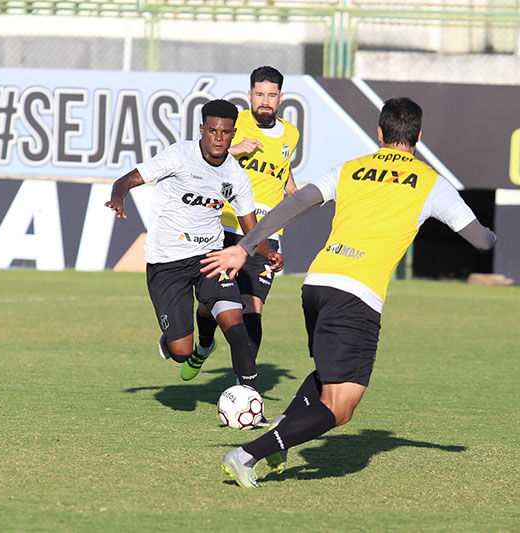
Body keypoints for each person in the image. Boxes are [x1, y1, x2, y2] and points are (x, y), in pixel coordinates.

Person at [201, 97, 496, 487]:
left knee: (327, 377)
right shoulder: (430, 182)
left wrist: (246, 244)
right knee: (341, 408)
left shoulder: (351, 168)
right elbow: (481, 241)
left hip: (318, 283)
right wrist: (490, 234)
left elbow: (296, 202)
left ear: (379, 133)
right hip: (357, 294)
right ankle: (248, 454)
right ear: (419, 136)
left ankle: (282, 436)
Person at [105, 99, 283, 394]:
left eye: (225, 132)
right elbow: (128, 179)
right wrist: (118, 197)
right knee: (181, 353)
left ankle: (251, 400)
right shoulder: (180, 155)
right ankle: (186, 339)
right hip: (167, 262)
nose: (218, 138)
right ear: (202, 129)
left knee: (236, 325)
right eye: (212, 131)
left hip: (210, 258)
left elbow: (251, 231)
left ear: (233, 134)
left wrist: (269, 253)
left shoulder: (236, 176)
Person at [195, 67, 299, 422]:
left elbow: (282, 168)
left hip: (266, 233)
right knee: (212, 305)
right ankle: (204, 343)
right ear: (249, 95)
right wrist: (234, 149)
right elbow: (204, 158)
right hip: (223, 227)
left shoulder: (292, 134)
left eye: (271, 95)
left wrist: (294, 192)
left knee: (252, 308)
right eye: (258, 94)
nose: (264, 101)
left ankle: (246, 389)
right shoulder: (231, 123)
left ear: (280, 98)